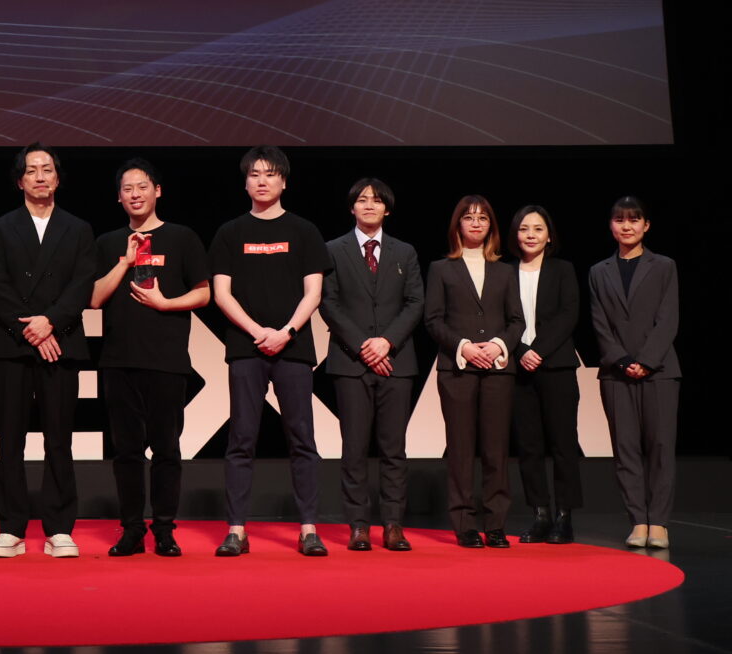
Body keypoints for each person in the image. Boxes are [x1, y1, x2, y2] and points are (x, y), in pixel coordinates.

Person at [208, 146, 332, 557]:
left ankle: (309, 529)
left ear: (284, 181)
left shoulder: (304, 231)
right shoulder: (230, 232)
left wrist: (287, 331)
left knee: (302, 439)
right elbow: (221, 294)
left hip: (293, 349)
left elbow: (314, 292)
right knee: (241, 439)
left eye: (270, 174)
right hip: (247, 348)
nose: (262, 181)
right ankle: (236, 530)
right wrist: (258, 331)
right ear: (245, 182)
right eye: (255, 174)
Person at [88, 158, 211, 557]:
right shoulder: (107, 242)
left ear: (158, 191)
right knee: (126, 451)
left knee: (167, 449)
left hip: (167, 360)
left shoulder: (182, 237)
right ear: (118, 197)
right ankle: (131, 530)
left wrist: (166, 303)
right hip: (118, 360)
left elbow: (204, 293)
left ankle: (164, 529)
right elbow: (93, 299)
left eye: (142, 187)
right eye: (127, 189)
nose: (135, 194)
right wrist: (124, 261)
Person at [0, 143, 95, 558]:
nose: (40, 176)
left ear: (58, 178)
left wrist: (51, 322)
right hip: (13, 344)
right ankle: (11, 528)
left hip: (61, 343)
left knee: (59, 439)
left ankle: (59, 528)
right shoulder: (0, 227)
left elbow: (82, 282)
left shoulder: (79, 228)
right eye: (32, 170)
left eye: (47, 169)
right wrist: (31, 328)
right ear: (20, 181)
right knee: (9, 439)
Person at [319, 177, 423, 553]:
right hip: (351, 363)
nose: (369, 205)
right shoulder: (332, 250)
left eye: (376, 200)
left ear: (387, 209)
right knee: (354, 448)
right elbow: (328, 302)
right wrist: (365, 347)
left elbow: (415, 302)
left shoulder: (404, 251)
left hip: (397, 362)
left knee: (394, 449)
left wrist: (386, 342)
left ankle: (393, 525)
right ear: (352, 208)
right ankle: (359, 526)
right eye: (362, 200)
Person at [424, 195, 526, 548]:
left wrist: (498, 345)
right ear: (458, 225)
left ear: (491, 226)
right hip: (458, 369)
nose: (476, 223)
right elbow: (433, 320)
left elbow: (517, 321)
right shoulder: (441, 269)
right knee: (461, 448)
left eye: (483, 218)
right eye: (469, 217)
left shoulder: (505, 271)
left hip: (498, 369)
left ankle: (495, 524)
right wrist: (464, 346)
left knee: (496, 449)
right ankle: (465, 523)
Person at [589, 196, 680, 548]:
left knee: (660, 447)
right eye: (619, 219)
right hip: (617, 373)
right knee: (625, 449)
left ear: (646, 225)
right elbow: (599, 323)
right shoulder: (599, 271)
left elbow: (668, 318)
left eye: (634, 219)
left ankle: (659, 522)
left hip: (660, 370)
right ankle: (638, 521)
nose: (626, 226)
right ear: (611, 225)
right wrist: (622, 359)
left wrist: (646, 359)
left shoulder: (664, 266)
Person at [508, 204, 584, 544]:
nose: (531, 235)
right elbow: (501, 318)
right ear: (515, 235)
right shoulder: (504, 271)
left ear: (549, 236)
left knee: (563, 443)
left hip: (556, 366)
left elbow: (569, 314)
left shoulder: (563, 269)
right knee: (529, 446)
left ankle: (564, 517)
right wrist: (521, 352)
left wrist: (537, 350)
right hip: (519, 368)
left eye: (538, 229)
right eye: (524, 228)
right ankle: (540, 515)